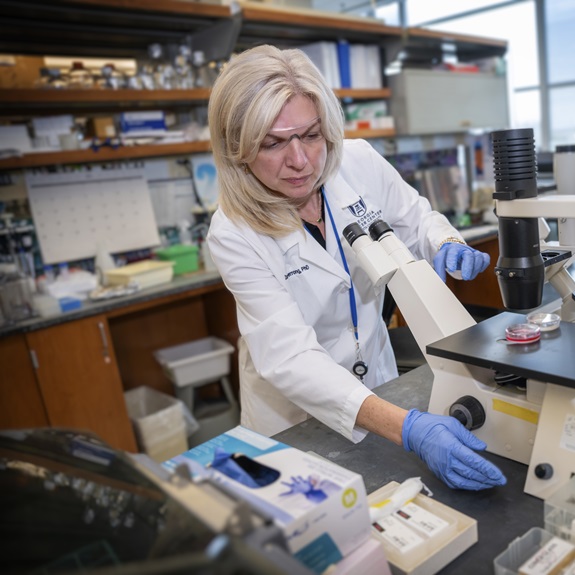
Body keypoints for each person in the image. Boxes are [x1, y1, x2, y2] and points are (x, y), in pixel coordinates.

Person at [206, 45, 506, 491]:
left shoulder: (357, 160)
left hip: (379, 385)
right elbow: (291, 357)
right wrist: (408, 428)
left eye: (310, 134)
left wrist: (444, 241)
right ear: (237, 149)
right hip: (294, 416)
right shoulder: (232, 233)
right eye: (272, 143)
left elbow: (416, 216)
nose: (301, 160)